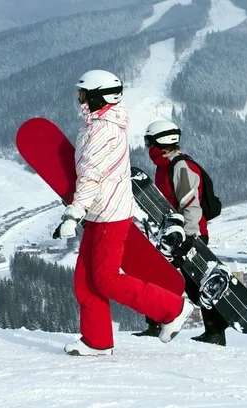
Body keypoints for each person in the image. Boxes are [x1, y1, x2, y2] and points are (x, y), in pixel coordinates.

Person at [55, 70, 194, 356]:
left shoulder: (104, 131)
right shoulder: (96, 125)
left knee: (106, 279)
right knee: (85, 280)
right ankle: (97, 341)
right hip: (99, 213)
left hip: (110, 215)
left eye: (83, 95)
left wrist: (73, 215)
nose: (79, 100)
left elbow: (91, 176)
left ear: (97, 97)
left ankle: (174, 309)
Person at [133, 120, 228, 346]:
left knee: (197, 283)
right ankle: (156, 324)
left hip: (189, 235)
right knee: (160, 276)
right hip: (174, 235)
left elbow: (190, 205)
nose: (147, 147)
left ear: (162, 142)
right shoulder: (164, 167)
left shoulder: (181, 167)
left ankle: (215, 332)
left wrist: (189, 238)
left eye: (149, 142)